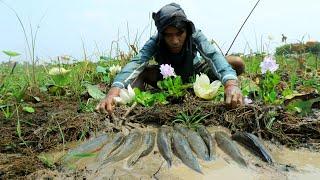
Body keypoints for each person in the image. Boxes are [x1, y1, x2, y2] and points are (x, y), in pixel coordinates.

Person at [96, 3, 245, 115]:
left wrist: (230, 84)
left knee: (236, 63)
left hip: (195, 73)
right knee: (141, 72)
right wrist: (112, 93)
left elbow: (213, 56)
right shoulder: (155, 41)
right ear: (162, 34)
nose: (175, 41)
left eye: (179, 33)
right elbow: (137, 62)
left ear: (186, 29)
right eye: (168, 35)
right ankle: (135, 99)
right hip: (166, 77)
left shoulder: (195, 35)